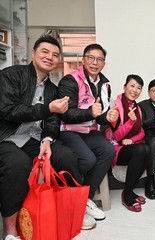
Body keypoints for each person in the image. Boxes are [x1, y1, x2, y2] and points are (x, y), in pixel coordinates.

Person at [0, 35, 82, 240]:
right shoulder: (11, 75)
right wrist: (47, 108)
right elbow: (9, 111)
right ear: (33, 53)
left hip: (35, 139)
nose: (50, 57)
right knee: (17, 165)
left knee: (67, 157)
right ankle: (10, 230)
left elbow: (53, 121)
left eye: (55, 55)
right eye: (45, 52)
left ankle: (69, 214)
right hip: (8, 137)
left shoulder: (53, 89)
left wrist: (47, 140)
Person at [58, 44, 117, 226]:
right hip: (69, 130)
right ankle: (74, 197)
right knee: (88, 159)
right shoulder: (69, 81)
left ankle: (86, 198)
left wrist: (107, 117)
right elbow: (65, 114)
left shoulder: (105, 85)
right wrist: (90, 113)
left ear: (104, 63)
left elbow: (99, 118)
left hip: (89, 131)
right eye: (90, 58)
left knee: (108, 151)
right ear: (83, 59)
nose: (94, 62)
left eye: (99, 59)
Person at [105, 74, 149, 212]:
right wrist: (130, 122)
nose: (135, 90)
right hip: (114, 148)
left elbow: (142, 132)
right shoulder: (115, 105)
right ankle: (128, 195)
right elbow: (117, 135)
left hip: (128, 146)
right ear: (125, 87)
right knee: (141, 150)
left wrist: (132, 140)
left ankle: (129, 191)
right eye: (132, 86)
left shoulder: (137, 108)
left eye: (138, 88)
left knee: (148, 149)